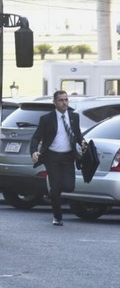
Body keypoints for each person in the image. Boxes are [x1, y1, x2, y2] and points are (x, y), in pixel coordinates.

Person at [30, 90, 87, 226]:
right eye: (61, 100)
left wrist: (83, 142)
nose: (64, 103)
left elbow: (77, 135)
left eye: (66, 100)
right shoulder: (46, 119)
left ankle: (55, 188)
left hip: (68, 156)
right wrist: (34, 152)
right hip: (52, 156)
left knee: (69, 186)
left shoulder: (74, 117)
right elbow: (36, 137)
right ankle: (57, 216)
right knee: (55, 187)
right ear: (54, 102)